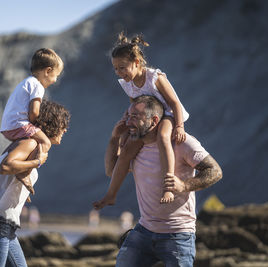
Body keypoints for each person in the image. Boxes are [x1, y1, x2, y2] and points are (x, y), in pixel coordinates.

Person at [93, 95, 222, 266]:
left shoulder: (182, 143)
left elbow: (215, 171)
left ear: (154, 120)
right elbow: (111, 170)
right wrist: (114, 139)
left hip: (178, 234)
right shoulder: (134, 148)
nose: (128, 122)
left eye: (135, 117)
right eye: (128, 116)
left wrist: (184, 185)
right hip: (144, 230)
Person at [0, 100, 70, 267]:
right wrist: (37, 162)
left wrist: (17, 192)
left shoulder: (24, 144)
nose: (65, 129)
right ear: (52, 123)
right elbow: (5, 167)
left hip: (3, 226)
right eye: (63, 124)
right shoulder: (30, 143)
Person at [104, 32, 189, 204]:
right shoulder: (127, 84)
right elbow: (134, 104)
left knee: (163, 137)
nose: (119, 72)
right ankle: (111, 194)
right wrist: (126, 122)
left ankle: (168, 187)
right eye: (115, 68)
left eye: (122, 67)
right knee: (127, 147)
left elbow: (175, 103)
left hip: (167, 114)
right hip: (147, 119)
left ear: (136, 63)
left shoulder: (154, 77)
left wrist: (179, 126)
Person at [0, 48, 64, 194]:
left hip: (8, 126)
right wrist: (37, 125)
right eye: (56, 75)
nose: (55, 80)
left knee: (34, 141)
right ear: (48, 71)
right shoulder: (38, 86)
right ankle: (25, 172)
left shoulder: (26, 82)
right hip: (20, 124)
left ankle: (22, 166)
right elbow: (34, 111)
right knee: (45, 142)